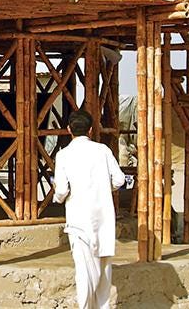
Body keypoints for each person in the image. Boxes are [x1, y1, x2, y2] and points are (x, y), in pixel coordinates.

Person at [54, 109, 125, 309]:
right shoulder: (103, 150)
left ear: (69, 130)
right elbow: (119, 180)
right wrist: (103, 186)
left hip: (79, 220)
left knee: (84, 272)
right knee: (104, 270)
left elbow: (61, 192)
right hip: (104, 218)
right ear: (91, 129)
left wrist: (61, 195)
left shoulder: (64, 155)